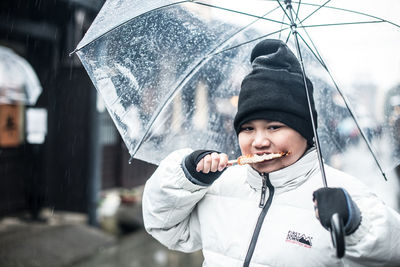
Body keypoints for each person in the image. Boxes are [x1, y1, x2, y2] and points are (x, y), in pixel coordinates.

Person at [142, 39, 400, 266]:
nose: (259, 141)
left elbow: (392, 253)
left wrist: (354, 225)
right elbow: (166, 228)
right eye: (248, 128)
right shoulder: (222, 187)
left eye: (274, 127)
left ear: (305, 132)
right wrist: (187, 177)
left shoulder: (343, 195)